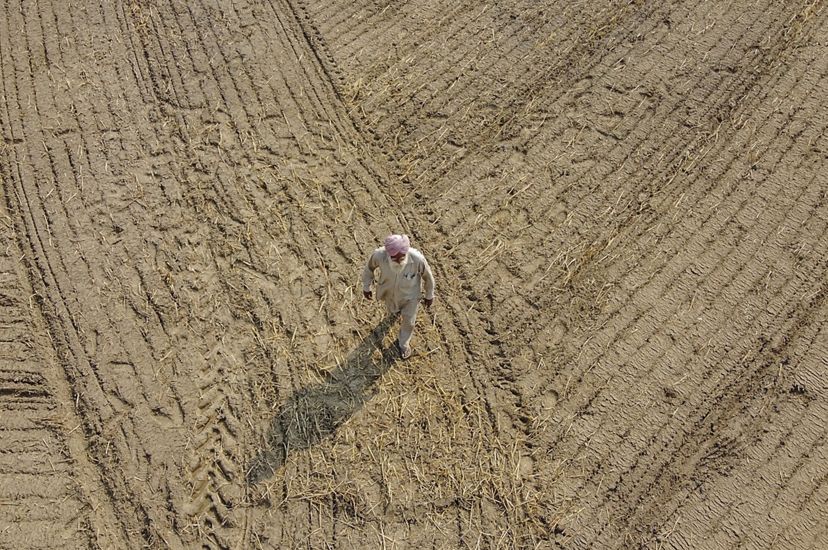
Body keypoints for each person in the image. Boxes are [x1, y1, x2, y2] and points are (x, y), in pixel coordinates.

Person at [362, 234, 435, 359]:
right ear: (388, 253)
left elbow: (428, 277)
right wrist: (366, 286)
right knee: (393, 310)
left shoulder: (417, 259)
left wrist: (429, 295)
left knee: (409, 321)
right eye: (394, 258)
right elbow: (369, 269)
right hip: (389, 293)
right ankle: (395, 312)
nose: (399, 260)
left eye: (402, 257)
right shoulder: (379, 255)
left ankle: (403, 343)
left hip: (410, 296)